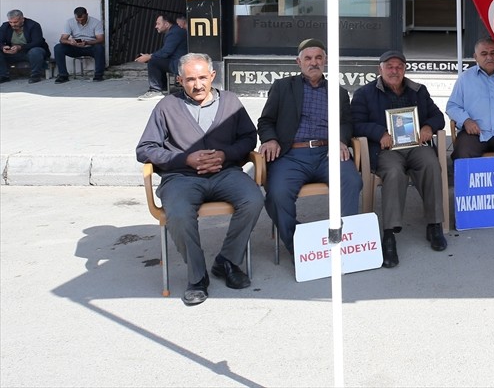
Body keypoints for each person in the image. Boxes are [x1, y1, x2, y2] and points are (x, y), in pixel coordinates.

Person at [135, 53, 263, 306]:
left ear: (212, 76)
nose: (198, 85)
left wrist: (226, 154)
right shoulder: (166, 107)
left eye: (203, 77)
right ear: (180, 80)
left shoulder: (231, 102)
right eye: (190, 79)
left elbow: (249, 138)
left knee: (254, 198)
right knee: (180, 213)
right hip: (181, 177)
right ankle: (197, 277)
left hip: (225, 172)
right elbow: (145, 149)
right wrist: (186, 159)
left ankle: (227, 261)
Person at [257, 38, 362, 256]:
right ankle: (300, 245)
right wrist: (270, 139)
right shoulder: (283, 87)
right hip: (292, 154)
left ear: (326, 61)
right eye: (308, 58)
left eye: (318, 58)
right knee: (277, 194)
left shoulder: (338, 92)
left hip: (327, 152)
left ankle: (344, 241)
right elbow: (265, 121)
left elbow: (346, 122)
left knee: (352, 181)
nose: (313, 62)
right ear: (299, 62)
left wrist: (341, 140)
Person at [350, 50, 447, 266]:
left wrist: (428, 127)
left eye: (399, 67)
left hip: (415, 146)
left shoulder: (418, 91)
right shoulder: (364, 93)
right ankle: (389, 234)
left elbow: (438, 116)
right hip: (385, 150)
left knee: (431, 163)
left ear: (404, 69)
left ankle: (434, 224)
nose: (394, 70)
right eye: (390, 66)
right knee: (394, 173)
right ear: (380, 69)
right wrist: (379, 133)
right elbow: (355, 124)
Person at [135, 12, 188, 99]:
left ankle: (155, 90)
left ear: (167, 24)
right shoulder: (174, 31)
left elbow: (165, 52)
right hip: (178, 61)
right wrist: (150, 55)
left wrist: (149, 57)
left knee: (153, 61)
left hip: (179, 64)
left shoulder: (174, 33)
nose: (156, 26)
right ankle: (162, 87)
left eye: (158, 24)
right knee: (157, 60)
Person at [53, 5, 106, 82]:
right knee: (58, 48)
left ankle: (98, 75)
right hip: (75, 47)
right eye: (78, 20)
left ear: (87, 15)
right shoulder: (70, 22)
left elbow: (101, 39)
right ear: (75, 17)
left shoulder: (96, 22)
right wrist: (70, 42)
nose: (80, 22)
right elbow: (62, 39)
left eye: (83, 19)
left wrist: (87, 42)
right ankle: (63, 75)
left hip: (90, 46)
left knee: (99, 48)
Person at [0, 9, 49, 84]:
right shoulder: (5, 26)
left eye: (15, 22)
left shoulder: (33, 25)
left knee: (36, 51)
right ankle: (4, 76)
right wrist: (3, 47)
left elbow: (37, 42)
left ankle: (35, 75)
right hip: (12, 52)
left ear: (22, 19)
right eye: (11, 22)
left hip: (28, 51)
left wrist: (20, 47)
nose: (13, 24)